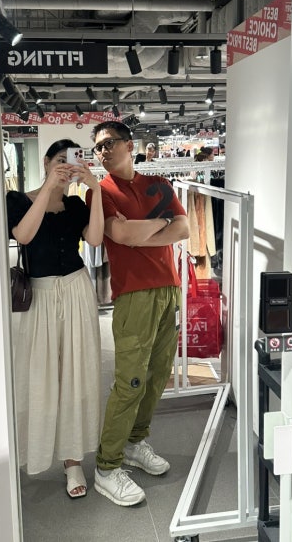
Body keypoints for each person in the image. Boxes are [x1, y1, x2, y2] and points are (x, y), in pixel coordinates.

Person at [86, 121, 190, 507]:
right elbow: (121, 236)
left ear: (129, 145)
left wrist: (144, 231)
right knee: (130, 381)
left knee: (158, 375)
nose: (103, 151)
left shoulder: (158, 184)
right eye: (98, 147)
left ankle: (134, 442)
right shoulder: (99, 192)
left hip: (168, 289)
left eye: (109, 143)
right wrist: (160, 224)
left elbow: (183, 229)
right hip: (132, 295)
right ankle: (107, 466)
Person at [6, 139, 104, 500]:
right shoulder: (18, 200)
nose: (67, 166)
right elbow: (23, 235)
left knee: (77, 374)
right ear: (46, 162)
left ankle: (72, 460)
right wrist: (49, 187)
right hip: (40, 296)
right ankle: (33, 450)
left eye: (73, 160)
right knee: (39, 375)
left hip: (77, 290)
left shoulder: (76, 205)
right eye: (61, 160)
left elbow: (95, 239)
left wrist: (95, 190)